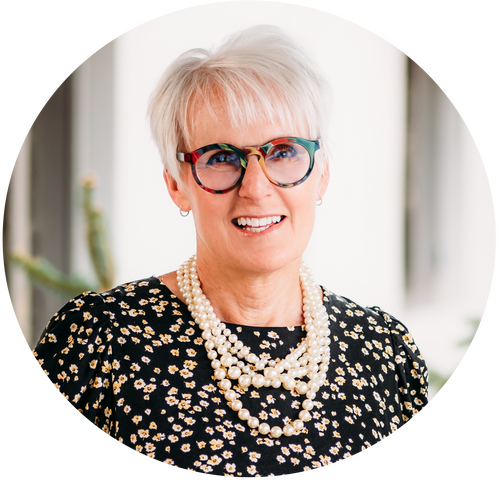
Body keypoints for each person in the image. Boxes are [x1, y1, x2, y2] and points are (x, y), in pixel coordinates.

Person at [30, 25, 429, 478]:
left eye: (283, 152)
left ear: (321, 175)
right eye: (220, 158)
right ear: (176, 185)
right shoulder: (97, 340)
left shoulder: (384, 350)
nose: (256, 188)